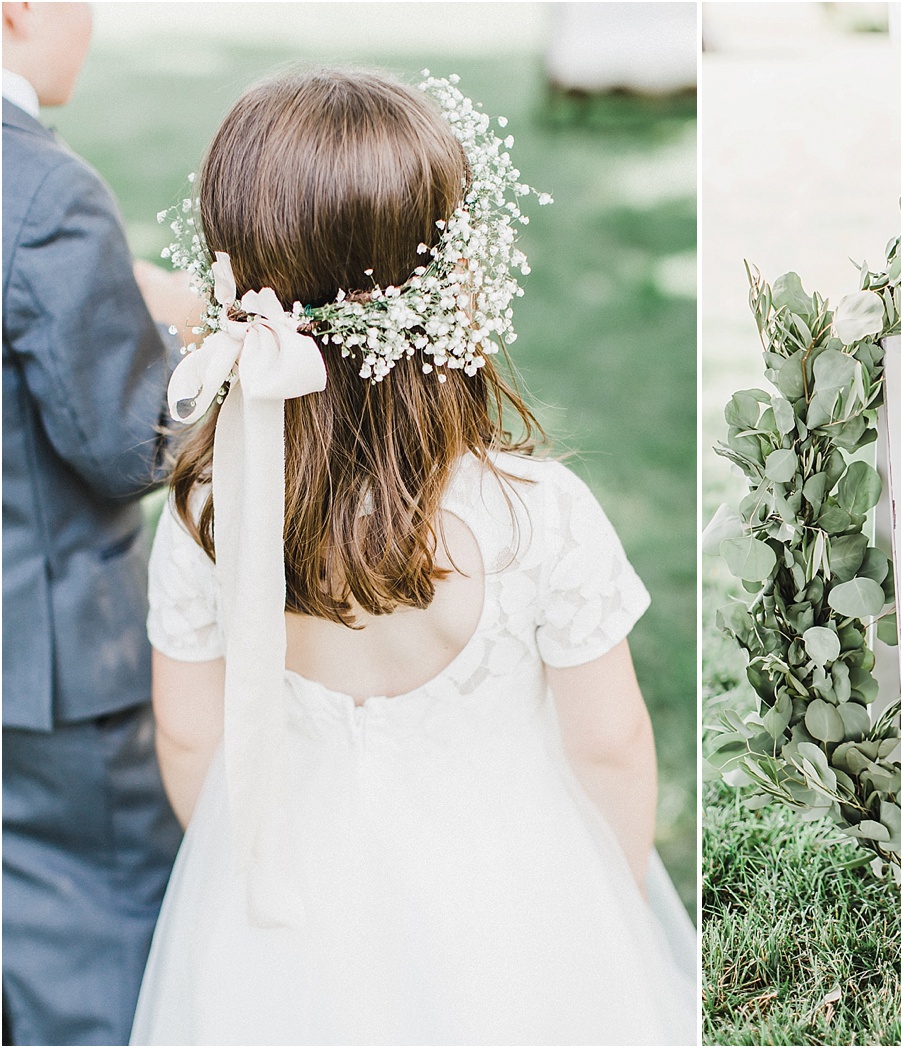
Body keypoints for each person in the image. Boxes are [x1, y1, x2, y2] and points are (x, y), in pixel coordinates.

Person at [128, 67, 695, 1045]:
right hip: (512, 910)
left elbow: (186, 737)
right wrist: (601, 899)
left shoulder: (208, 510)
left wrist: (235, 858)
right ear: (445, 287)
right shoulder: (534, 515)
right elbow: (607, 747)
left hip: (283, 911)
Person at [1, 4, 196, 1043]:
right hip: (51, 664)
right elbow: (123, 441)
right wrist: (190, 338)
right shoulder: (42, 190)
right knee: (99, 933)